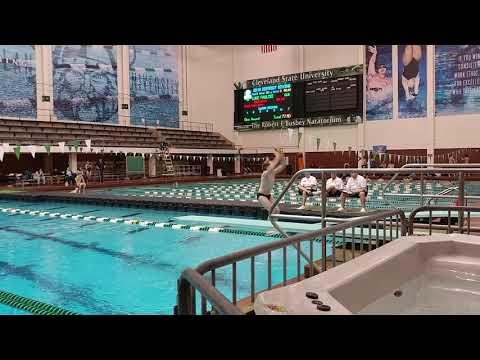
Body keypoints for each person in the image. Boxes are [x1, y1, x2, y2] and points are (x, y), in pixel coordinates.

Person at [257, 148, 287, 233]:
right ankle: (271, 228)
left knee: (277, 210)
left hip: (268, 195)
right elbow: (273, 165)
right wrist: (277, 156)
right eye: (270, 165)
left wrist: (282, 156)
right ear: (267, 167)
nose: (272, 166)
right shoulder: (265, 174)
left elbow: (283, 165)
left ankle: (272, 227)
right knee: (272, 210)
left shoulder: (272, 172)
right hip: (261, 195)